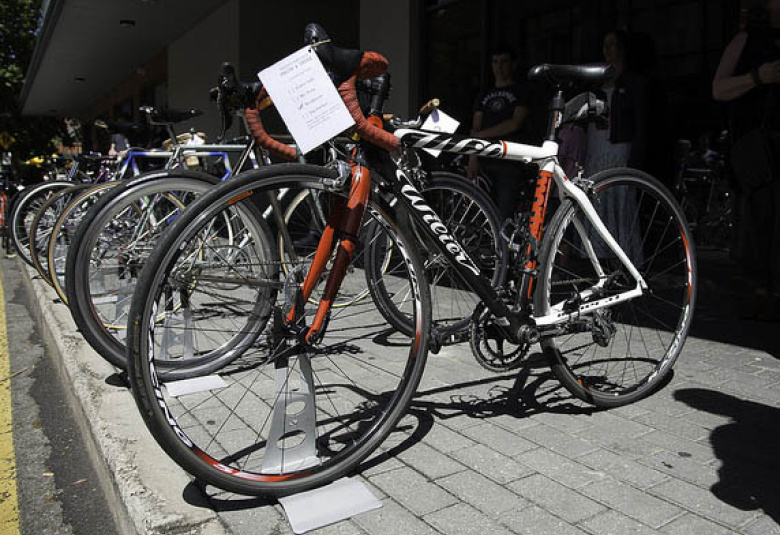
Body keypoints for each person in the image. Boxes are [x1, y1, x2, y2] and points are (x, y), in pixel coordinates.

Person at [713, 0, 780, 319]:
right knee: (761, 222)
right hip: (761, 151)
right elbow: (719, 88)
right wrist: (758, 77)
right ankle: (763, 292)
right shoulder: (748, 39)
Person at [583, 30, 646, 262]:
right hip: (595, 149)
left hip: (619, 149)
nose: (609, 51)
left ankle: (624, 257)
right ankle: (598, 255)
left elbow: (641, 122)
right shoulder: (596, 84)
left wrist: (636, 157)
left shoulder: (633, 82)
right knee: (597, 202)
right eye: (605, 46)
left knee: (620, 203)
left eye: (614, 45)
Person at [467, 46, 532, 222]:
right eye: (495, 62)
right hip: (485, 161)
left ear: (512, 64)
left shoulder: (520, 91)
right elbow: (475, 127)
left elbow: (515, 123)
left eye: (503, 61)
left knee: (504, 215)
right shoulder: (484, 94)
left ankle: (504, 249)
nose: (499, 66)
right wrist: (473, 156)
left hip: (509, 161)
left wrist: (481, 136)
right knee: (482, 215)